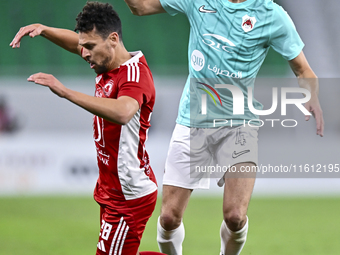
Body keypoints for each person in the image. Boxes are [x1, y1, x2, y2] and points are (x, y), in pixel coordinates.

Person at [122, 0, 324, 254]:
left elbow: (303, 69)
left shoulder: (270, 14)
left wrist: (312, 96)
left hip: (240, 125)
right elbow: (140, 7)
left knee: (235, 216)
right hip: (193, 121)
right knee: (168, 218)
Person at [10, 2, 166, 255]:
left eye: (90, 47)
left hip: (128, 194)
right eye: (84, 47)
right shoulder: (105, 60)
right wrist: (44, 29)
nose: (84, 54)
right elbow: (78, 43)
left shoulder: (134, 76)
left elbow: (124, 112)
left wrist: (65, 92)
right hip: (111, 188)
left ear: (113, 39)